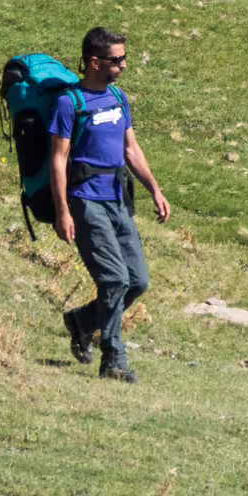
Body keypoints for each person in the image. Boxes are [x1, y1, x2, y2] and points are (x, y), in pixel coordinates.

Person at [51, 27, 171, 383]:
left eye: (124, 58)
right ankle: (114, 359)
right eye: (117, 60)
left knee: (137, 281)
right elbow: (58, 159)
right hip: (87, 203)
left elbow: (130, 149)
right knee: (114, 279)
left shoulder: (118, 99)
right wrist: (62, 211)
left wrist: (155, 189)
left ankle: (83, 322)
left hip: (118, 201)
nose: (124, 65)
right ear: (93, 62)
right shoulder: (69, 103)